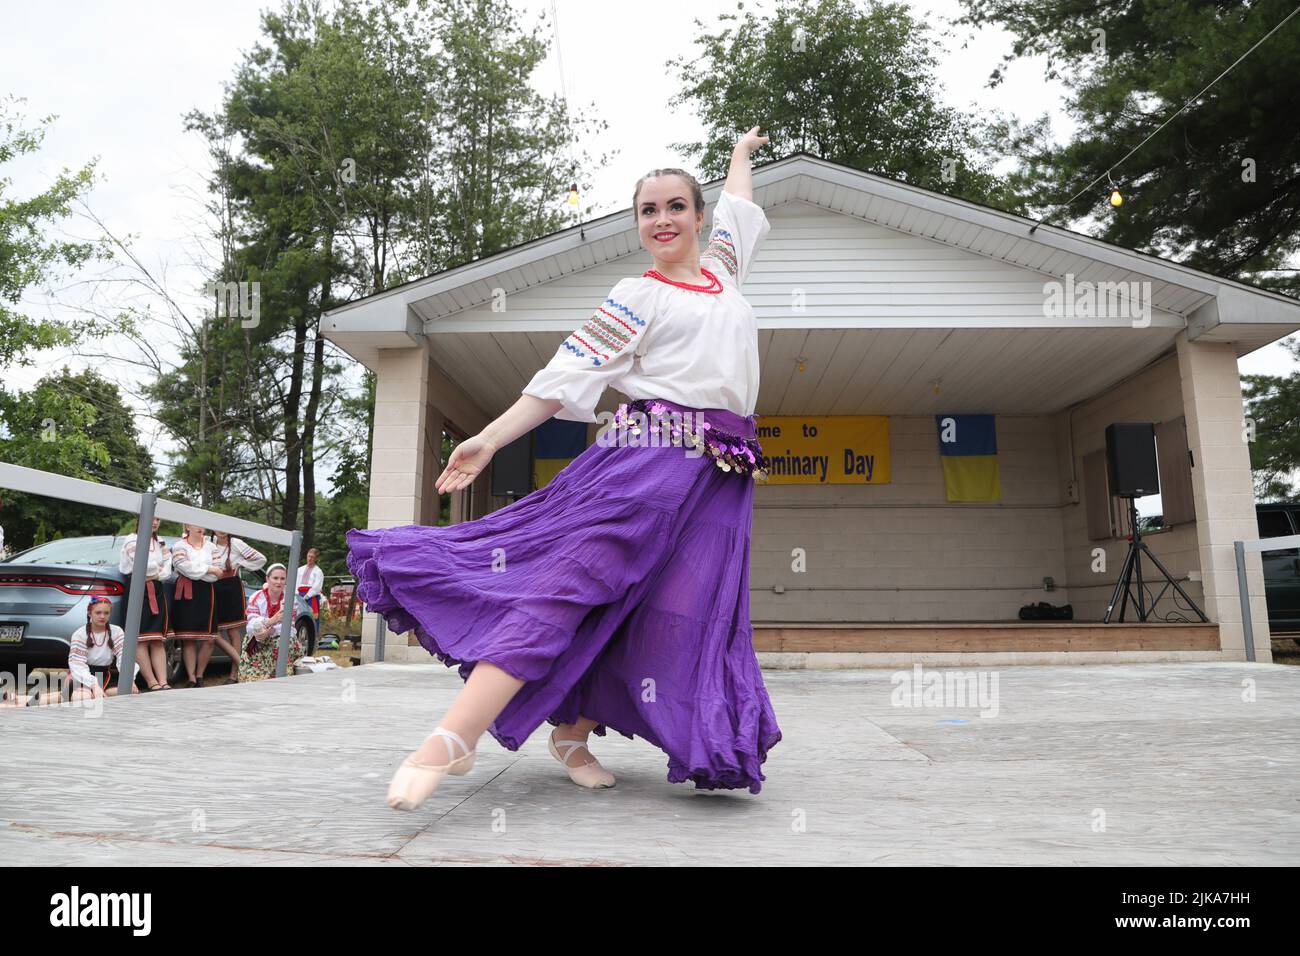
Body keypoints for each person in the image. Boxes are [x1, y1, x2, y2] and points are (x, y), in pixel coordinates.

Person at [347, 127, 783, 810]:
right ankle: (454, 738)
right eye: (648, 210)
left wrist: (739, 155)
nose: (662, 220)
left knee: (673, 613)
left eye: (676, 206)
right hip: (645, 462)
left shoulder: (725, 275)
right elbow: (564, 376)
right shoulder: (638, 295)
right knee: (564, 587)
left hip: (720, 477)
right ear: (638, 223)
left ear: (699, 216)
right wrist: (488, 439)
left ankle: (572, 735)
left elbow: (739, 205)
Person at [118, 516, 174, 690]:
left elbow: (168, 569)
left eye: (158, 519)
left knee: (157, 639)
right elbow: (141, 565)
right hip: (137, 590)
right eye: (151, 518)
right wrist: (155, 570)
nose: (155, 522)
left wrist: (155, 573)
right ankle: (151, 681)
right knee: (140, 639)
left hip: (156, 589)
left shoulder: (161, 542)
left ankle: (163, 681)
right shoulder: (131, 540)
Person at [209, 531, 267, 683]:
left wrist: (241, 564)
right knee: (213, 631)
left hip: (232, 587)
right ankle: (243, 664)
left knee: (233, 630)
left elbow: (261, 559)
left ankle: (233, 674)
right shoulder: (209, 541)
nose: (220, 530)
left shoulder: (236, 543)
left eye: (224, 527)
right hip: (213, 586)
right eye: (217, 527)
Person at [168, 524, 219, 688]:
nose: (201, 527)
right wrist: (208, 569)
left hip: (207, 592)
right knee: (188, 638)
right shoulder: (179, 545)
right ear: (187, 526)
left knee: (209, 638)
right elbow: (183, 566)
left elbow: (218, 573)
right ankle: (190, 678)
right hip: (186, 592)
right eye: (196, 523)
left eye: (203, 524)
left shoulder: (211, 546)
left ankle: (200, 675)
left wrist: (202, 571)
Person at [64, 596, 141, 702]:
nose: (102, 616)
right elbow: (77, 664)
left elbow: (124, 657)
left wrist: (129, 679)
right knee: (83, 698)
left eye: (106, 613)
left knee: (129, 693)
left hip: (106, 676)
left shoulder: (116, 631)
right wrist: (94, 685)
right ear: (89, 613)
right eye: (98, 613)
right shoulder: (80, 634)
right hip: (84, 676)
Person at [240, 563, 305, 681]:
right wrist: (271, 621)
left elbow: (290, 628)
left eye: (282, 579)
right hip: (258, 639)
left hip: (280, 640)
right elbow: (250, 626)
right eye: (275, 578)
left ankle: (282, 678)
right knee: (253, 641)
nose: (279, 582)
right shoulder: (257, 597)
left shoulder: (290, 599)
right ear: (267, 579)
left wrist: (270, 631)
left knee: (284, 641)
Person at [296, 548, 324, 622]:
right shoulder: (300, 570)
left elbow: (317, 587)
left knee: (311, 618)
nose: (310, 558)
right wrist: (296, 595)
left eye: (312, 557)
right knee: (298, 615)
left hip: (311, 597)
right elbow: (296, 583)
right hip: (299, 595)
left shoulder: (318, 571)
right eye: (309, 556)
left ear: (315, 558)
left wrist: (307, 596)